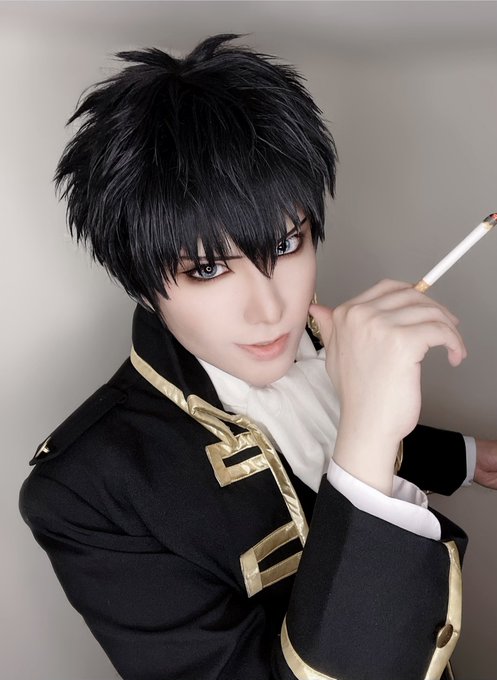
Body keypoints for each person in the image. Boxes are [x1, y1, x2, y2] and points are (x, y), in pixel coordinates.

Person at [19, 33, 497, 680]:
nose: (271, 310)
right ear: (140, 280)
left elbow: (312, 426)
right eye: (208, 268)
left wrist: (468, 457)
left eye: (287, 244)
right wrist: (367, 434)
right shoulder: (83, 495)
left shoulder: (318, 338)